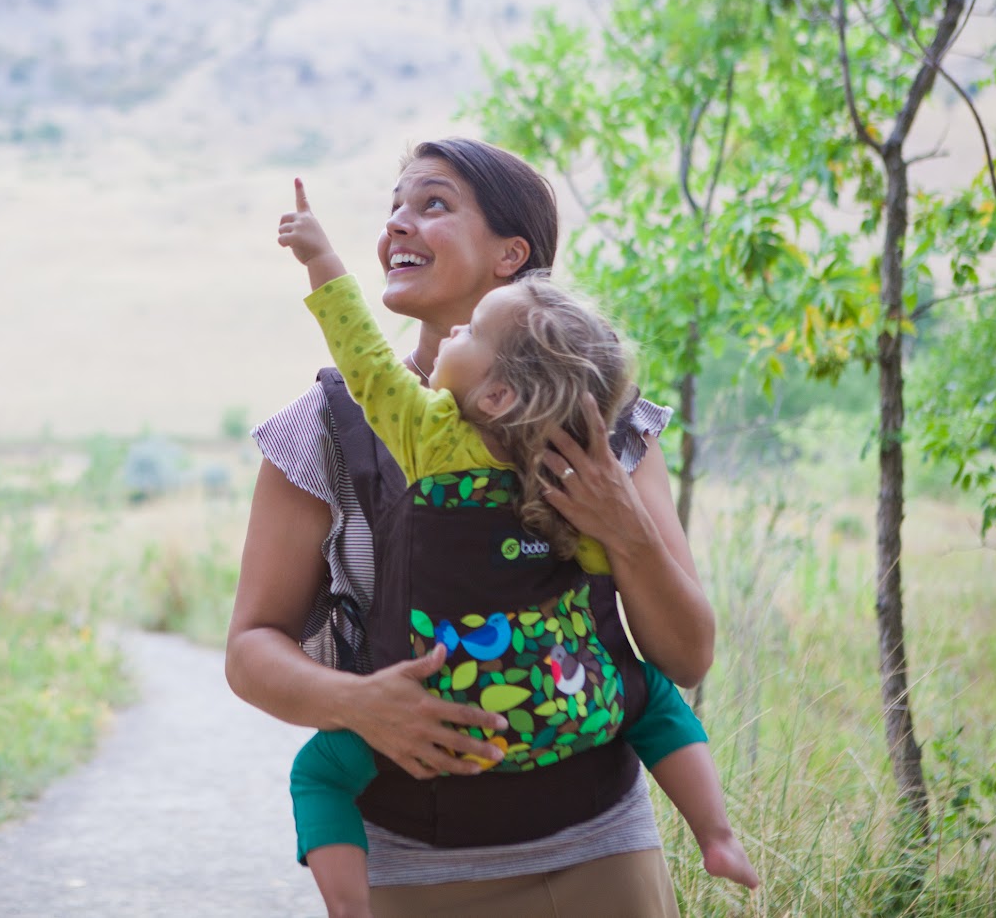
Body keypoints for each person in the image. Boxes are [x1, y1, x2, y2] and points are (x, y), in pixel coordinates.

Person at [226, 138, 724, 918]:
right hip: (412, 869)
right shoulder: (323, 429)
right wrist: (357, 704)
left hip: (601, 848)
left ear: (510, 255)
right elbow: (250, 651)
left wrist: (623, 525)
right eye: (394, 205)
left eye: (432, 203)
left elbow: (686, 655)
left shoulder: (607, 428)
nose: (397, 224)